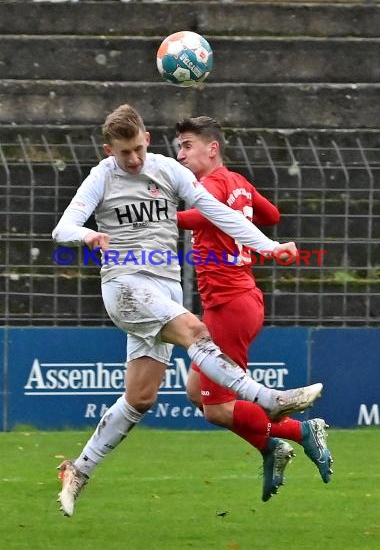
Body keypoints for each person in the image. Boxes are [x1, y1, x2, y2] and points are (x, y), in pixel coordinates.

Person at [52, 103, 323, 517]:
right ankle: (268, 399)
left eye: (138, 149)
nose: (134, 160)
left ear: (147, 139)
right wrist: (87, 236)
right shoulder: (101, 177)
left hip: (163, 289)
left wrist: (268, 246)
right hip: (124, 286)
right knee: (196, 332)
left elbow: (218, 212)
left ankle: (79, 469)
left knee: (140, 398)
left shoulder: (166, 169)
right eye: (124, 153)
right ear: (110, 151)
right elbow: (62, 228)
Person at [175, 116, 333, 501]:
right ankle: (271, 447)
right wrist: (244, 221)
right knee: (196, 391)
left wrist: (153, 218)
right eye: (178, 146)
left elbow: (200, 216)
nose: (180, 154)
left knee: (218, 409)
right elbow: (272, 216)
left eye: (187, 145)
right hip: (240, 301)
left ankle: (300, 433)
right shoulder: (237, 182)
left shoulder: (209, 186)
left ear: (212, 148)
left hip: (229, 305)